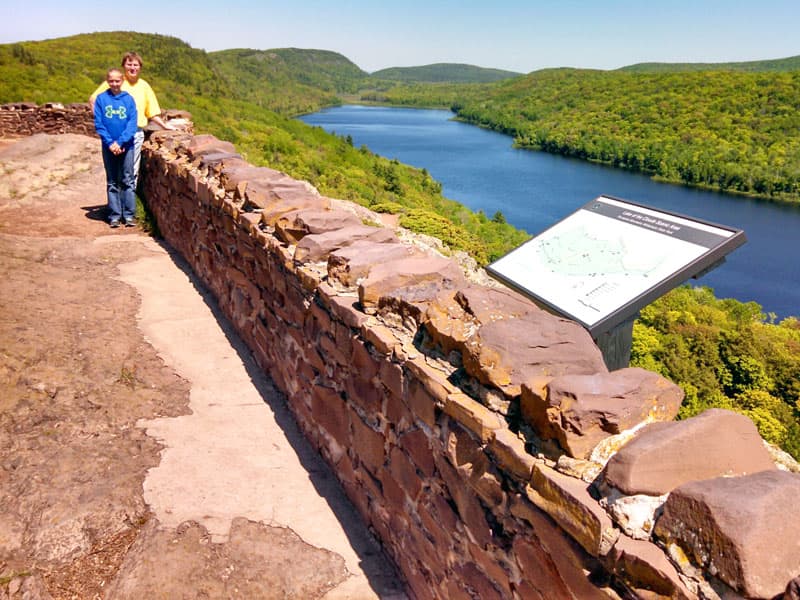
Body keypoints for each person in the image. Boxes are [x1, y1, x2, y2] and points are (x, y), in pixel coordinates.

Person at [89, 51, 175, 185]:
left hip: (135, 133)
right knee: (114, 170)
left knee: (131, 171)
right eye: (129, 64)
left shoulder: (144, 86)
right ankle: (116, 204)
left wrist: (164, 126)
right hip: (114, 134)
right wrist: (101, 121)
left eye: (136, 65)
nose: (133, 68)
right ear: (124, 66)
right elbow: (93, 100)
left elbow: (151, 112)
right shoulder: (116, 81)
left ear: (140, 67)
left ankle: (126, 203)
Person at [93, 68, 138, 228]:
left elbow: (132, 123)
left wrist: (120, 142)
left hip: (127, 146)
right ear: (107, 81)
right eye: (111, 80)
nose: (114, 84)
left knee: (127, 179)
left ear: (122, 81)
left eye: (117, 81)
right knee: (112, 181)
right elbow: (99, 123)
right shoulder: (101, 99)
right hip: (108, 146)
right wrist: (110, 143)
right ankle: (114, 215)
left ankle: (129, 215)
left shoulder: (128, 100)